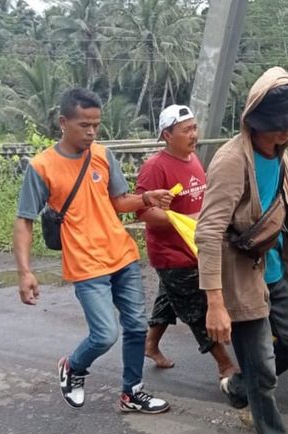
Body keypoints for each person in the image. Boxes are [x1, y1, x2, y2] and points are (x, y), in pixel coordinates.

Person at [14, 88, 171, 414]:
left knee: (137, 327)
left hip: (122, 254)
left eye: (96, 125)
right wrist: (25, 271)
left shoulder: (102, 154)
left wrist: (146, 198)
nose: (91, 132)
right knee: (104, 334)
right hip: (86, 263)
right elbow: (24, 221)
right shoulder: (42, 167)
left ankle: (132, 392)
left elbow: (117, 203)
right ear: (63, 122)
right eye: (84, 125)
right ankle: (73, 366)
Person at [195, 67, 288, 434]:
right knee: (264, 371)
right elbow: (209, 232)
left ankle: (237, 386)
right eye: (278, 128)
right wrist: (215, 303)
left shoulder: (280, 152)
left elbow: (279, 196)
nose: (286, 134)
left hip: (275, 266)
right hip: (241, 276)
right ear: (256, 123)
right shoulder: (231, 161)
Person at [135, 104, 237, 379]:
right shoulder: (154, 167)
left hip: (196, 248)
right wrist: (180, 218)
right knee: (198, 309)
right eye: (186, 130)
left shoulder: (193, 160)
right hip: (171, 254)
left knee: (170, 297)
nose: (194, 135)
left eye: (194, 128)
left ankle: (150, 344)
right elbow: (143, 212)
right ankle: (225, 365)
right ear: (167, 135)